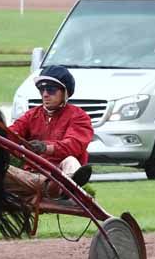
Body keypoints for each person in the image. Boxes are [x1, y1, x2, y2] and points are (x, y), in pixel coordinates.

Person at [5, 65, 94, 204]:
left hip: (59, 174)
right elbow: (11, 134)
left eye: (51, 90)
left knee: (71, 161)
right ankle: (56, 187)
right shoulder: (31, 115)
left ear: (65, 92)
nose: (45, 94)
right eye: (42, 90)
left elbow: (74, 145)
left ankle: (65, 188)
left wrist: (45, 147)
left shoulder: (79, 117)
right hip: (30, 177)